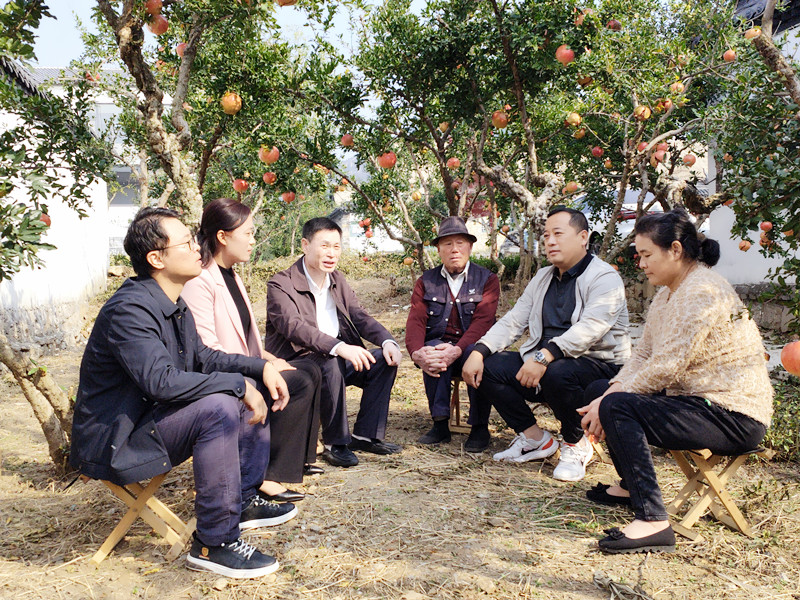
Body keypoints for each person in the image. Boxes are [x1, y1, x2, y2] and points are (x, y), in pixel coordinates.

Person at [70, 207, 296, 579]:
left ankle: (243, 500)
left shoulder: (173, 302)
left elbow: (203, 358)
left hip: (149, 420)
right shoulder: (129, 311)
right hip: (115, 440)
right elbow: (161, 382)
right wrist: (238, 385)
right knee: (220, 406)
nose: (197, 248)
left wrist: (259, 368)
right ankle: (214, 544)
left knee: (239, 390)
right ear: (156, 258)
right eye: (187, 243)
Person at [578, 209, 773, 554]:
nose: (641, 264)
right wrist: (609, 391)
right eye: (639, 256)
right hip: (698, 403)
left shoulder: (701, 290)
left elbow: (667, 367)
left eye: (646, 254)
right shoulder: (668, 293)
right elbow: (643, 355)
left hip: (733, 415)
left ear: (676, 250)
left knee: (615, 404)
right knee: (601, 390)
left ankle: (653, 519)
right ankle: (630, 486)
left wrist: (611, 399)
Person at [461, 206, 631, 481]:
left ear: (583, 237)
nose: (550, 241)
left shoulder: (604, 277)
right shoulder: (544, 276)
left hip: (598, 366)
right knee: (488, 366)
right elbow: (514, 319)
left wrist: (544, 356)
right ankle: (535, 438)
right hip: (547, 364)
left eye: (558, 234)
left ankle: (576, 443)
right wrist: (479, 350)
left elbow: (591, 328)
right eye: (546, 235)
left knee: (558, 371)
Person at [182, 198, 323, 505]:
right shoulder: (201, 280)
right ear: (223, 236)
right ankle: (264, 475)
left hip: (245, 364)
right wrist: (260, 368)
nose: (253, 240)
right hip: (223, 375)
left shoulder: (231, 275)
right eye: (247, 233)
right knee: (298, 381)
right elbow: (207, 349)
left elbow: (245, 338)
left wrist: (270, 360)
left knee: (309, 369)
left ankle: (286, 463)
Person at [264, 217, 403, 468]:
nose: (332, 253)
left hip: (335, 358)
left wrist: (387, 341)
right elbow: (293, 327)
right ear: (305, 245)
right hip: (298, 361)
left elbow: (359, 316)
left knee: (382, 361)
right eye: (324, 246)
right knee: (331, 362)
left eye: (336, 246)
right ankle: (335, 443)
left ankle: (365, 436)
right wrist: (339, 347)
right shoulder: (281, 284)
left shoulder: (337, 280)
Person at [405, 216, 499, 448]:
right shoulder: (426, 281)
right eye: (447, 244)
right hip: (440, 343)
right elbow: (416, 320)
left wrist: (457, 349)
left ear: (470, 246)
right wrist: (416, 352)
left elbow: (483, 322)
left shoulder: (487, 279)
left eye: (460, 243)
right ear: (438, 249)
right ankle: (440, 425)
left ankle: (479, 427)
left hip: (471, 345)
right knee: (433, 351)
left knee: (476, 354)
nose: (454, 249)